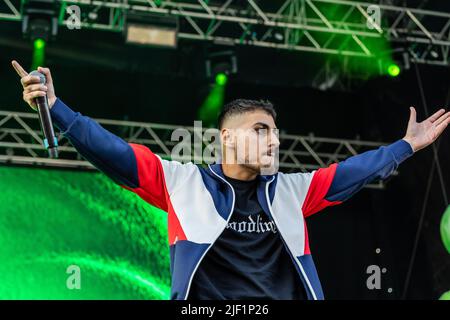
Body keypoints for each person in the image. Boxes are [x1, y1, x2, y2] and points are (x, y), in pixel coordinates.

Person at [11, 60, 450, 300]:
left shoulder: (292, 191)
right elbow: (111, 150)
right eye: (261, 130)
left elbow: (355, 172)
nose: (274, 140)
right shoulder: (182, 182)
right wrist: (57, 106)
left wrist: (405, 146)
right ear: (225, 137)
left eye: (276, 132)